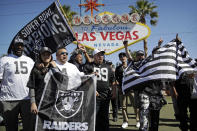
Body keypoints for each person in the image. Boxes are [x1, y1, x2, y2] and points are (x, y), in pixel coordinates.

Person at [0, 38, 34, 131]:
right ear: (12, 47)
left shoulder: (30, 60)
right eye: (17, 45)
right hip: (8, 99)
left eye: (21, 45)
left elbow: (34, 79)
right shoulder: (4, 60)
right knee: (11, 128)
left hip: (27, 99)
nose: (19, 47)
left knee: (29, 127)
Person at [27, 47, 61, 131]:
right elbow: (32, 86)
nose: (46, 56)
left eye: (48, 54)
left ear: (51, 56)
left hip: (52, 104)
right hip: (39, 103)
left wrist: (55, 67)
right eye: (44, 54)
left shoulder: (54, 68)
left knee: (52, 127)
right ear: (40, 56)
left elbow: (62, 80)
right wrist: (33, 103)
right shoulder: (35, 69)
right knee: (39, 126)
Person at [85, 49, 115, 131]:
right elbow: (84, 80)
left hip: (106, 95)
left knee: (105, 116)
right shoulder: (88, 66)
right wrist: (92, 89)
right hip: (93, 95)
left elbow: (113, 81)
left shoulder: (108, 67)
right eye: (98, 55)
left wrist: (114, 91)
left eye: (102, 55)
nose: (100, 56)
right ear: (94, 56)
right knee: (94, 117)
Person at [115, 52, 140, 129]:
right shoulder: (118, 68)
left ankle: (138, 120)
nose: (123, 58)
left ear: (126, 57)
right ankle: (125, 121)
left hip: (131, 89)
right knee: (123, 107)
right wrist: (119, 87)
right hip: (122, 89)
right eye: (121, 57)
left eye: (124, 56)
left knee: (135, 105)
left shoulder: (131, 66)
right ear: (119, 58)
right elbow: (116, 79)